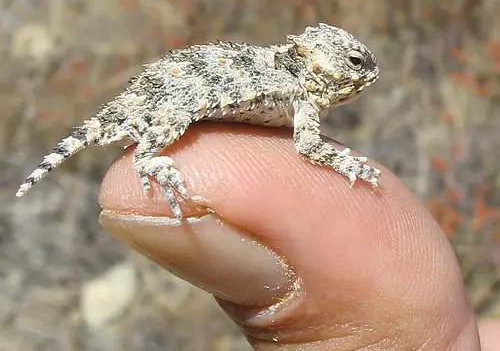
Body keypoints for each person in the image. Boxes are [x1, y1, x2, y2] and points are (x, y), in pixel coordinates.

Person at [99, 123, 499, 350]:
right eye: (355, 65)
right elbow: (308, 145)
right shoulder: (298, 93)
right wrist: (343, 160)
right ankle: (148, 156)